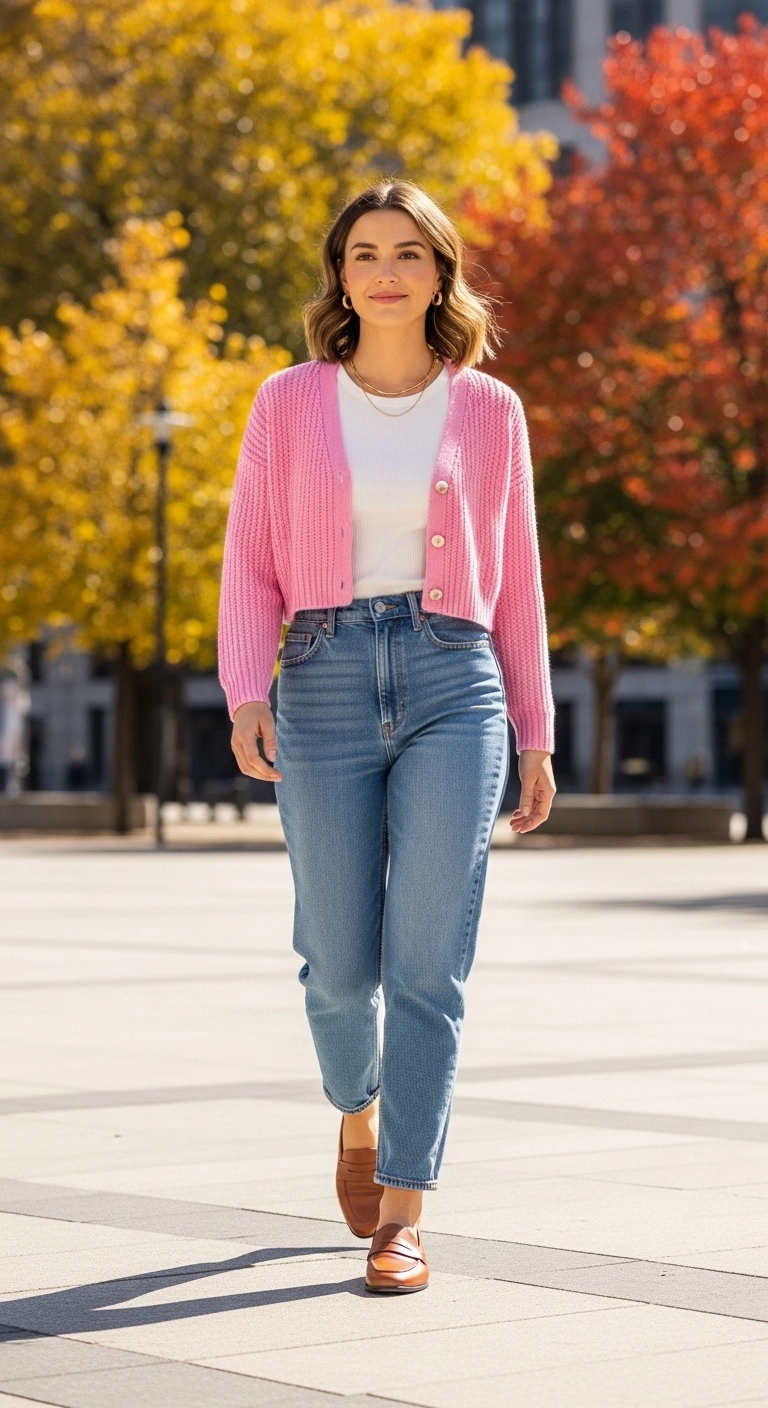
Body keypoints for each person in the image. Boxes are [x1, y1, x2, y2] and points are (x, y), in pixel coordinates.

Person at [218, 181, 556, 1294]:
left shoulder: (490, 410)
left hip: (454, 677)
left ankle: (404, 1209)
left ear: (440, 274)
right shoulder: (288, 399)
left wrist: (536, 726)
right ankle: (356, 1109)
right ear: (342, 274)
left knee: (427, 963)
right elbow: (249, 558)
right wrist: (245, 687)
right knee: (335, 964)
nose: (387, 270)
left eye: (410, 252)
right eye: (366, 252)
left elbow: (518, 586)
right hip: (318, 676)